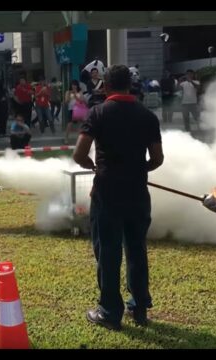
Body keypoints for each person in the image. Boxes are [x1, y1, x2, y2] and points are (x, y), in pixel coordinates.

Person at [72, 64, 164, 330]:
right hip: (137, 192)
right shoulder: (147, 116)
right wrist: (138, 170)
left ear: (107, 86)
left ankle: (110, 312)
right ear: (130, 85)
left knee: (109, 251)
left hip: (107, 193)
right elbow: (157, 158)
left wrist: (93, 166)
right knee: (137, 248)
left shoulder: (98, 113)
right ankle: (139, 307)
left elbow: (79, 154)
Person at [63, 80, 86, 144]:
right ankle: (66, 138)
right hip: (71, 109)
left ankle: (79, 139)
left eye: (75, 85)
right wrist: (70, 94)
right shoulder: (68, 92)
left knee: (79, 125)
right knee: (69, 124)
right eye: (72, 85)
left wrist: (76, 94)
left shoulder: (80, 91)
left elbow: (82, 100)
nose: (74, 86)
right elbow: (66, 101)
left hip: (79, 109)